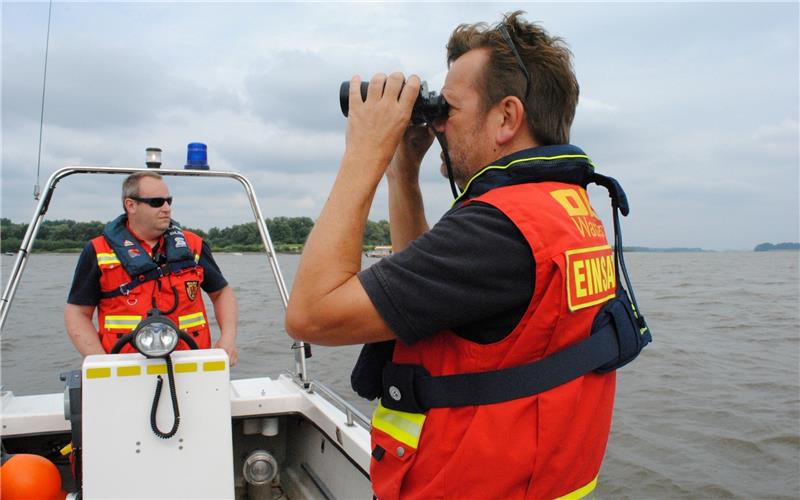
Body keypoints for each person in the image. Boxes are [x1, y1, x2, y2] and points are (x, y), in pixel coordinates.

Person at [287, 11, 619, 499]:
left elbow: (311, 315)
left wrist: (364, 151)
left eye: (448, 108)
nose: (437, 120)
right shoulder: (558, 210)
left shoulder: (499, 230)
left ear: (506, 117)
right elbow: (424, 295)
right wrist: (403, 170)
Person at [65, 171, 238, 366]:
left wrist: (228, 338)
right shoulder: (98, 251)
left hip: (191, 363)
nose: (166, 208)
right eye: (157, 202)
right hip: (125, 367)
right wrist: (100, 362)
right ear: (131, 205)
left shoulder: (193, 246)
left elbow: (221, 293)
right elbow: (77, 313)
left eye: (168, 201)